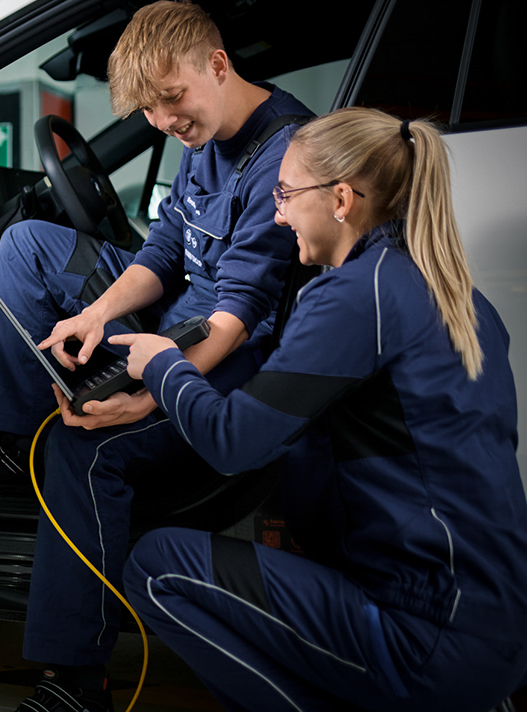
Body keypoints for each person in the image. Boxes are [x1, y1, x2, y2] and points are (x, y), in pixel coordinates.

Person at [0, 0, 315, 711]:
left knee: (84, 447)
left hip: (230, 348)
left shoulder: (282, 154)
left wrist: (150, 396)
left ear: (217, 64)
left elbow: (235, 316)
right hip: (178, 311)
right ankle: (16, 449)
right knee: (27, 244)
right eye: (149, 110)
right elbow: (165, 249)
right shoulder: (200, 135)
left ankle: (76, 682)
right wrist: (93, 315)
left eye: (172, 99)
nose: (165, 121)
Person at [115, 107, 527, 711]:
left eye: (285, 194)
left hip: (427, 636)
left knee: (157, 569)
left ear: (340, 199)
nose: (277, 214)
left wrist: (163, 366)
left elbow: (234, 444)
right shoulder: (456, 293)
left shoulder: (358, 295)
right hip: (492, 626)